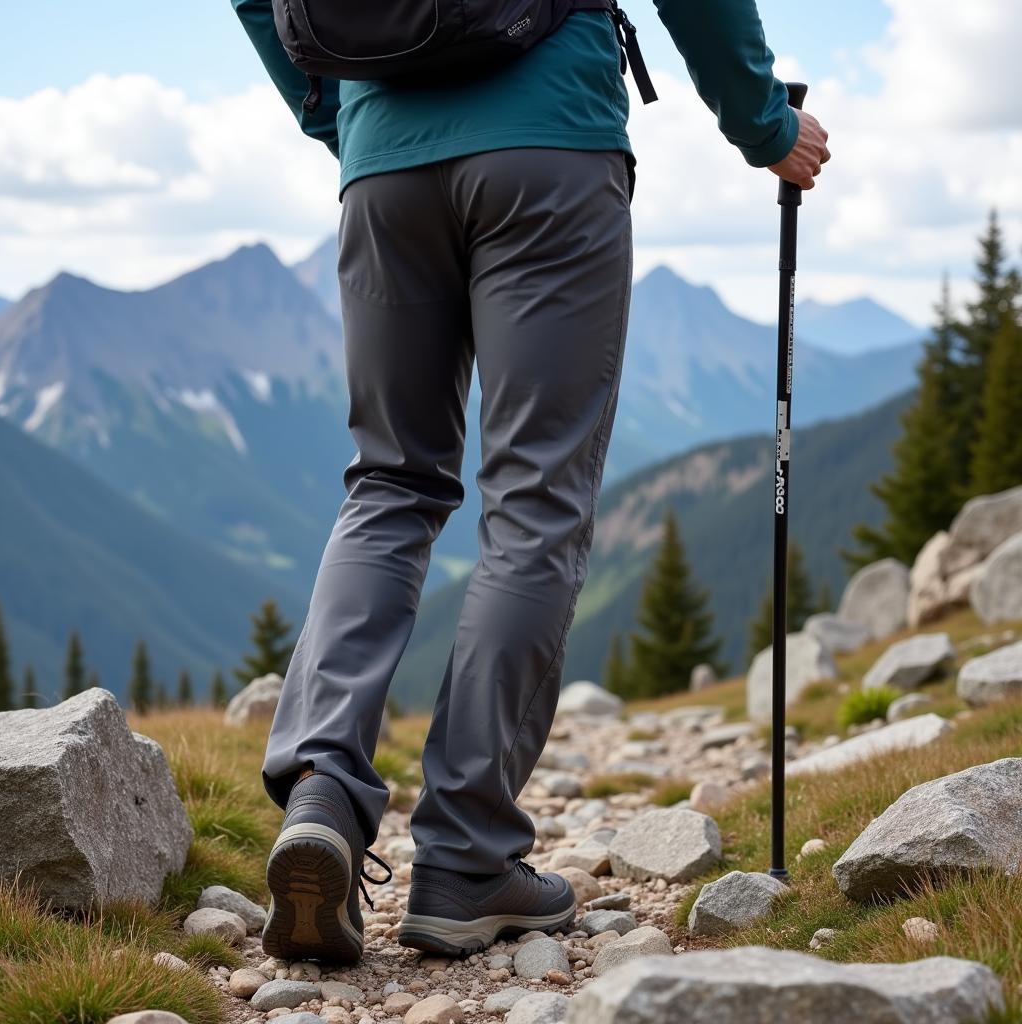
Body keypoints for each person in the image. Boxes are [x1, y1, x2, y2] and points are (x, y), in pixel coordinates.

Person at [230, 0, 830, 963]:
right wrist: (764, 124)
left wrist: (343, 111)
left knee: (388, 483)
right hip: (549, 147)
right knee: (534, 505)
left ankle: (322, 798)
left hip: (383, 156)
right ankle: (465, 859)